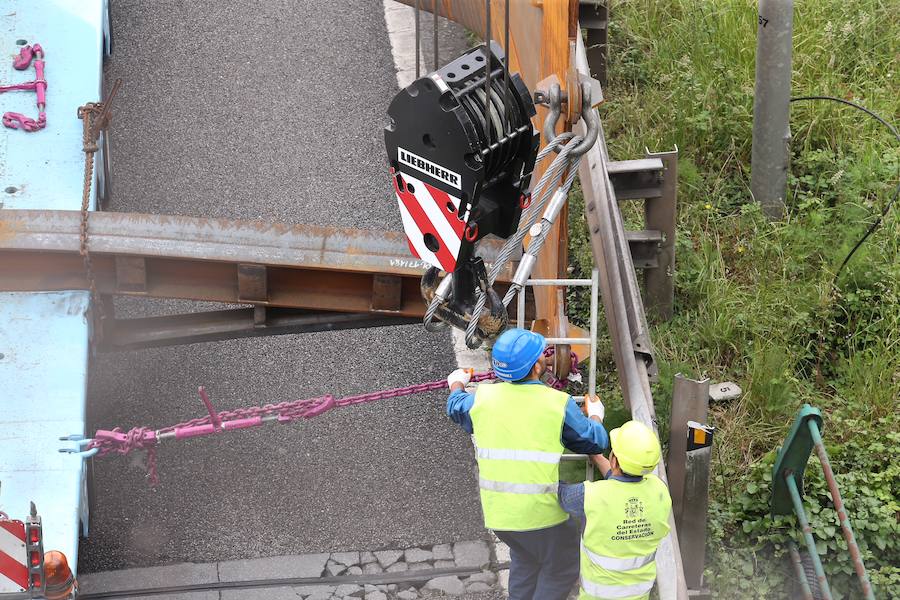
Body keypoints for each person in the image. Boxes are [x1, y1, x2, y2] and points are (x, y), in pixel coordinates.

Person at [446, 328, 609, 600]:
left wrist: (457, 383)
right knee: (561, 568)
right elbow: (594, 442)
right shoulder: (556, 403)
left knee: (527, 559)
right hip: (541, 516)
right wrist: (595, 415)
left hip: (501, 516)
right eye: (542, 356)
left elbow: (455, 406)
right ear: (536, 366)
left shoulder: (484, 399)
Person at [558, 420, 672, 600]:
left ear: (614, 459)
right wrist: (596, 456)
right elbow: (621, 483)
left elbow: (557, 494)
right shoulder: (660, 491)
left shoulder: (590, 496)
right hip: (639, 595)